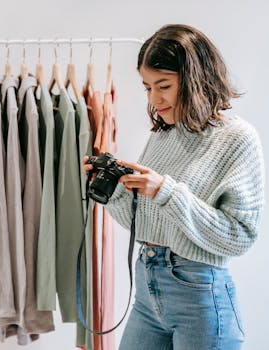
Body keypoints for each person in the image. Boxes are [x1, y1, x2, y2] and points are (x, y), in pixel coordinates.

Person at [83, 24, 264, 349]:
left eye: (163, 85)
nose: (154, 98)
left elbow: (240, 236)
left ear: (195, 78)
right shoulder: (162, 136)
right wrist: (111, 194)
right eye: (147, 87)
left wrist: (168, 192)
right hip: (148, 289)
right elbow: (146, 222)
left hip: (200, 297)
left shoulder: (238, 139)